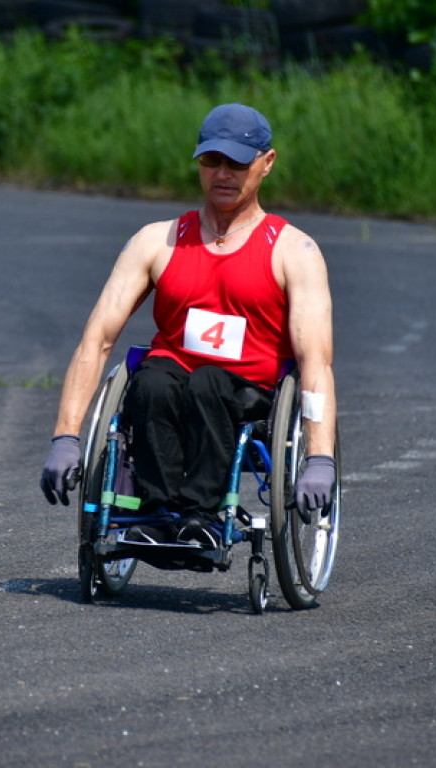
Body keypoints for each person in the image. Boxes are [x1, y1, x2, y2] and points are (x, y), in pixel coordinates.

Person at [40, 103, 337, 548]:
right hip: (172, 372)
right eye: (211, 161)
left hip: (246, 387)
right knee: (150, 384)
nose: (223, 174)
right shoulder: (155, 241)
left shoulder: (295, 251)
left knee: (209, 384)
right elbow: (96, 341)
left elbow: (316, 363)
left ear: (266, 163)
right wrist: (66, 436)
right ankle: (157, 512)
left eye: (238, 162)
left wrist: (320, 458)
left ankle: (201, 516)